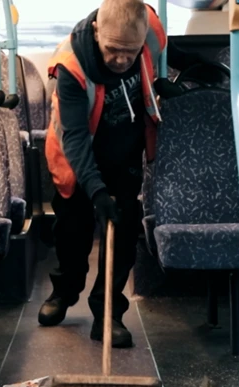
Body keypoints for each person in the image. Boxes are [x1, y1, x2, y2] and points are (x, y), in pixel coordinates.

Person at [39, 0, 214, 348]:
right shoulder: (70, 66)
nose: (121, 60)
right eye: (113, 50)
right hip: (77, 153)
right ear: (96, 32)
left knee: (123, 230)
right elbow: (74, 138)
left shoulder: (149, 28)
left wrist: (201, 70)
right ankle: (65, 289)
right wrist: (97, 192)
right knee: (73, 231)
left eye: (130, 52)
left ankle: (108, 314)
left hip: (126, 148)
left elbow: (169, 51)